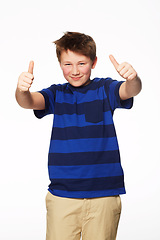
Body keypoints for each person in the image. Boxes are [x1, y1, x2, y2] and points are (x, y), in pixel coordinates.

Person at [15, 32, 142, 240]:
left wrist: (133, 78)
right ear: (59, 64)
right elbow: (28, 101)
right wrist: (21, 90)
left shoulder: (106, 89)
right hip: (62, 197)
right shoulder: (56, 94)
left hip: (104, 196)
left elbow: (130, 90)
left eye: (81, 63)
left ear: (93, 63)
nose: (74, 71)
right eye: (67, 64)